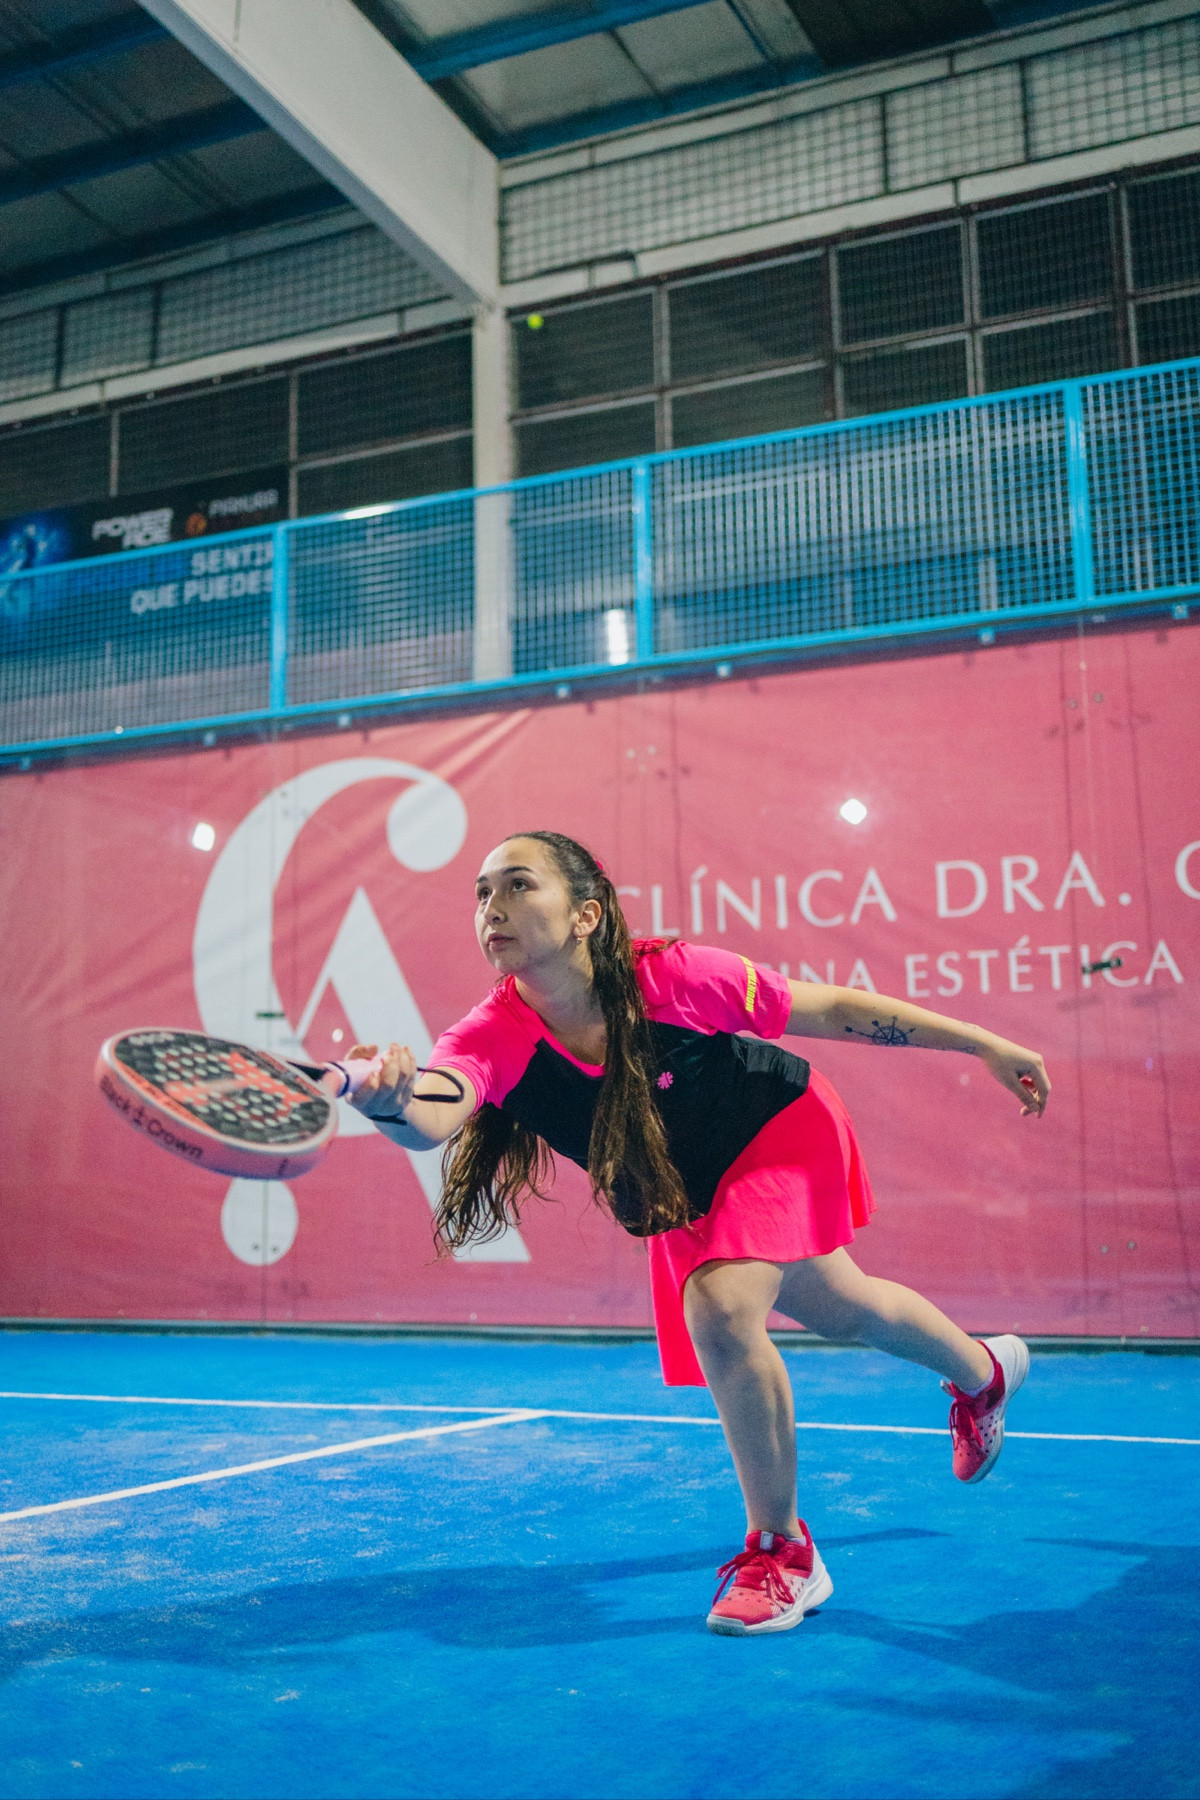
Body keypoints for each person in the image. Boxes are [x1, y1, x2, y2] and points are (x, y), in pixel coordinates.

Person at [346, 830, 1050, 1638]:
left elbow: (830, 1009)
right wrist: (389, 1102)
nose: (491, 907)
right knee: (844, 1307)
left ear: (585, 915)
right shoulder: (489, 1035)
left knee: (720, 1307)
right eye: (481, 892)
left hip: (774, 1130)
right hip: (676, 1187)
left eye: (517, 885)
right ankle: (984, 1372)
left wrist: (982, 1042)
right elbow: (434, 1112)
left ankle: (782, 1551)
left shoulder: (667, 976)